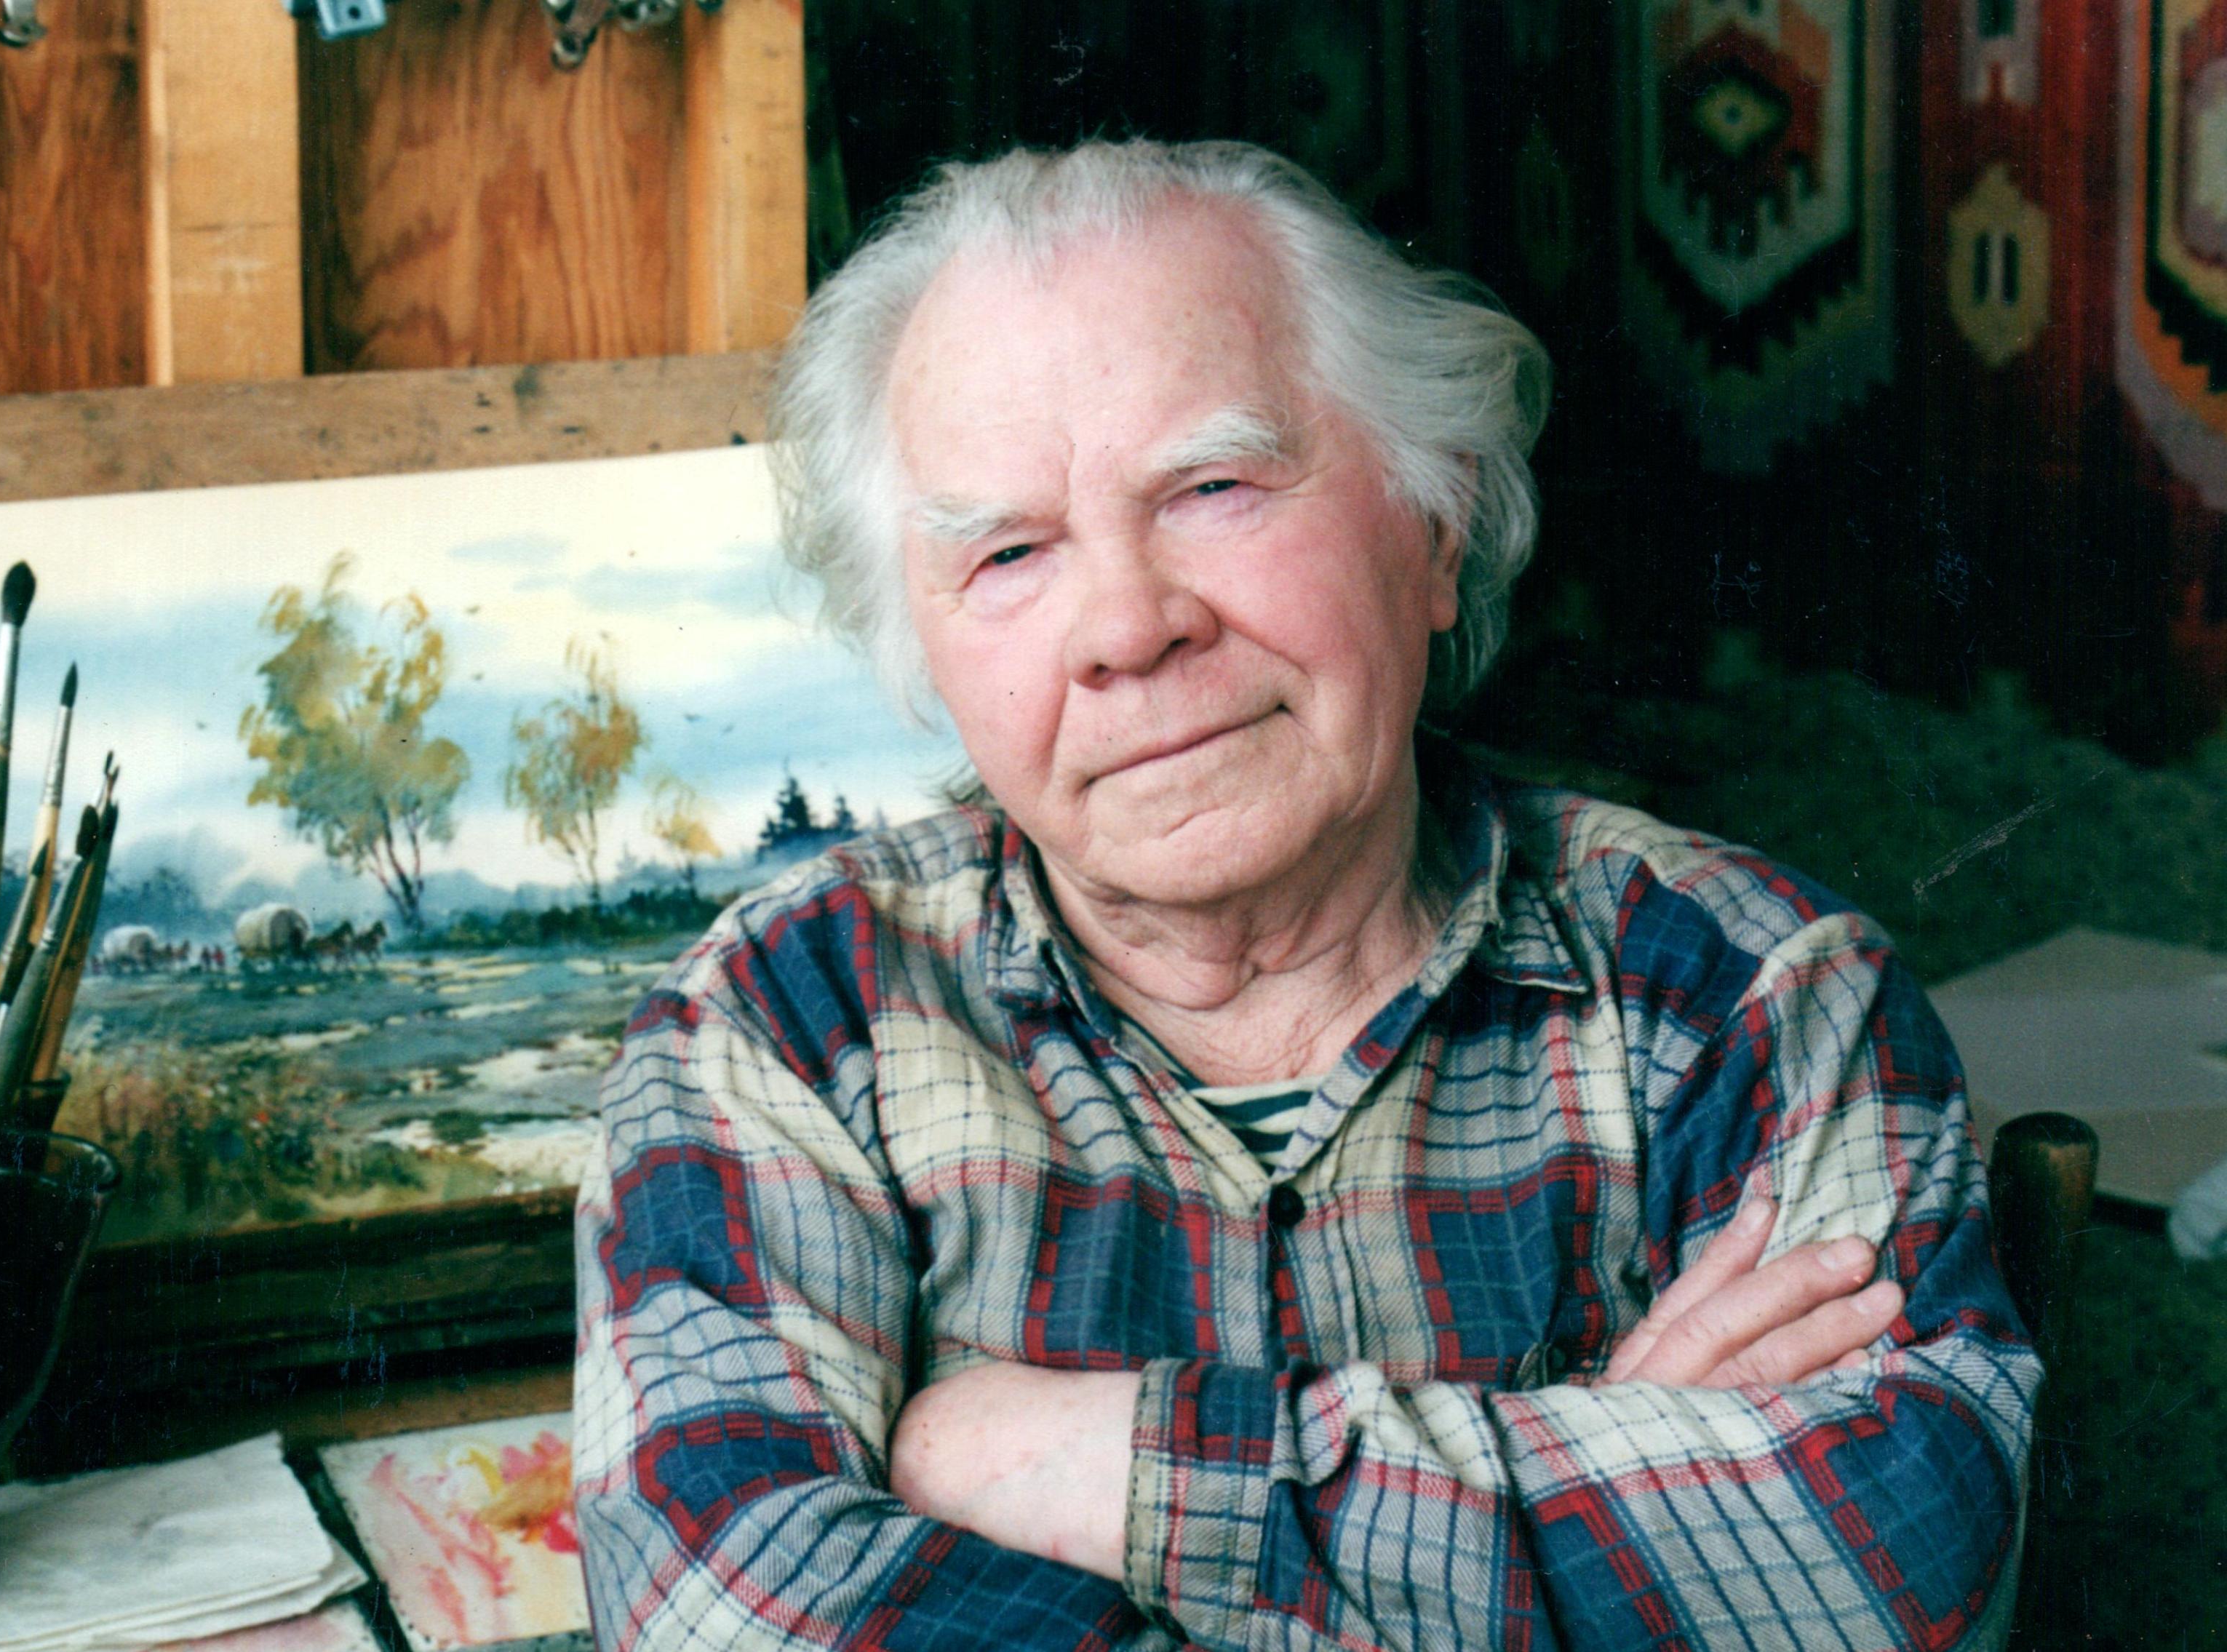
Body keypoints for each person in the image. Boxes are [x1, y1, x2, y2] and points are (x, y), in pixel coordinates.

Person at [573, 138, 2034, 1651]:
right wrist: (1588, 1491)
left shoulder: (1749, 990)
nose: (1127, 628)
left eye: (1213, 487)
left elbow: (1894, 1553)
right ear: (928, 658)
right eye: (1007, 553)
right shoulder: (780, 1027)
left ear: (1436, 522)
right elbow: (715, 1606)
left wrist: (1084, 1468)